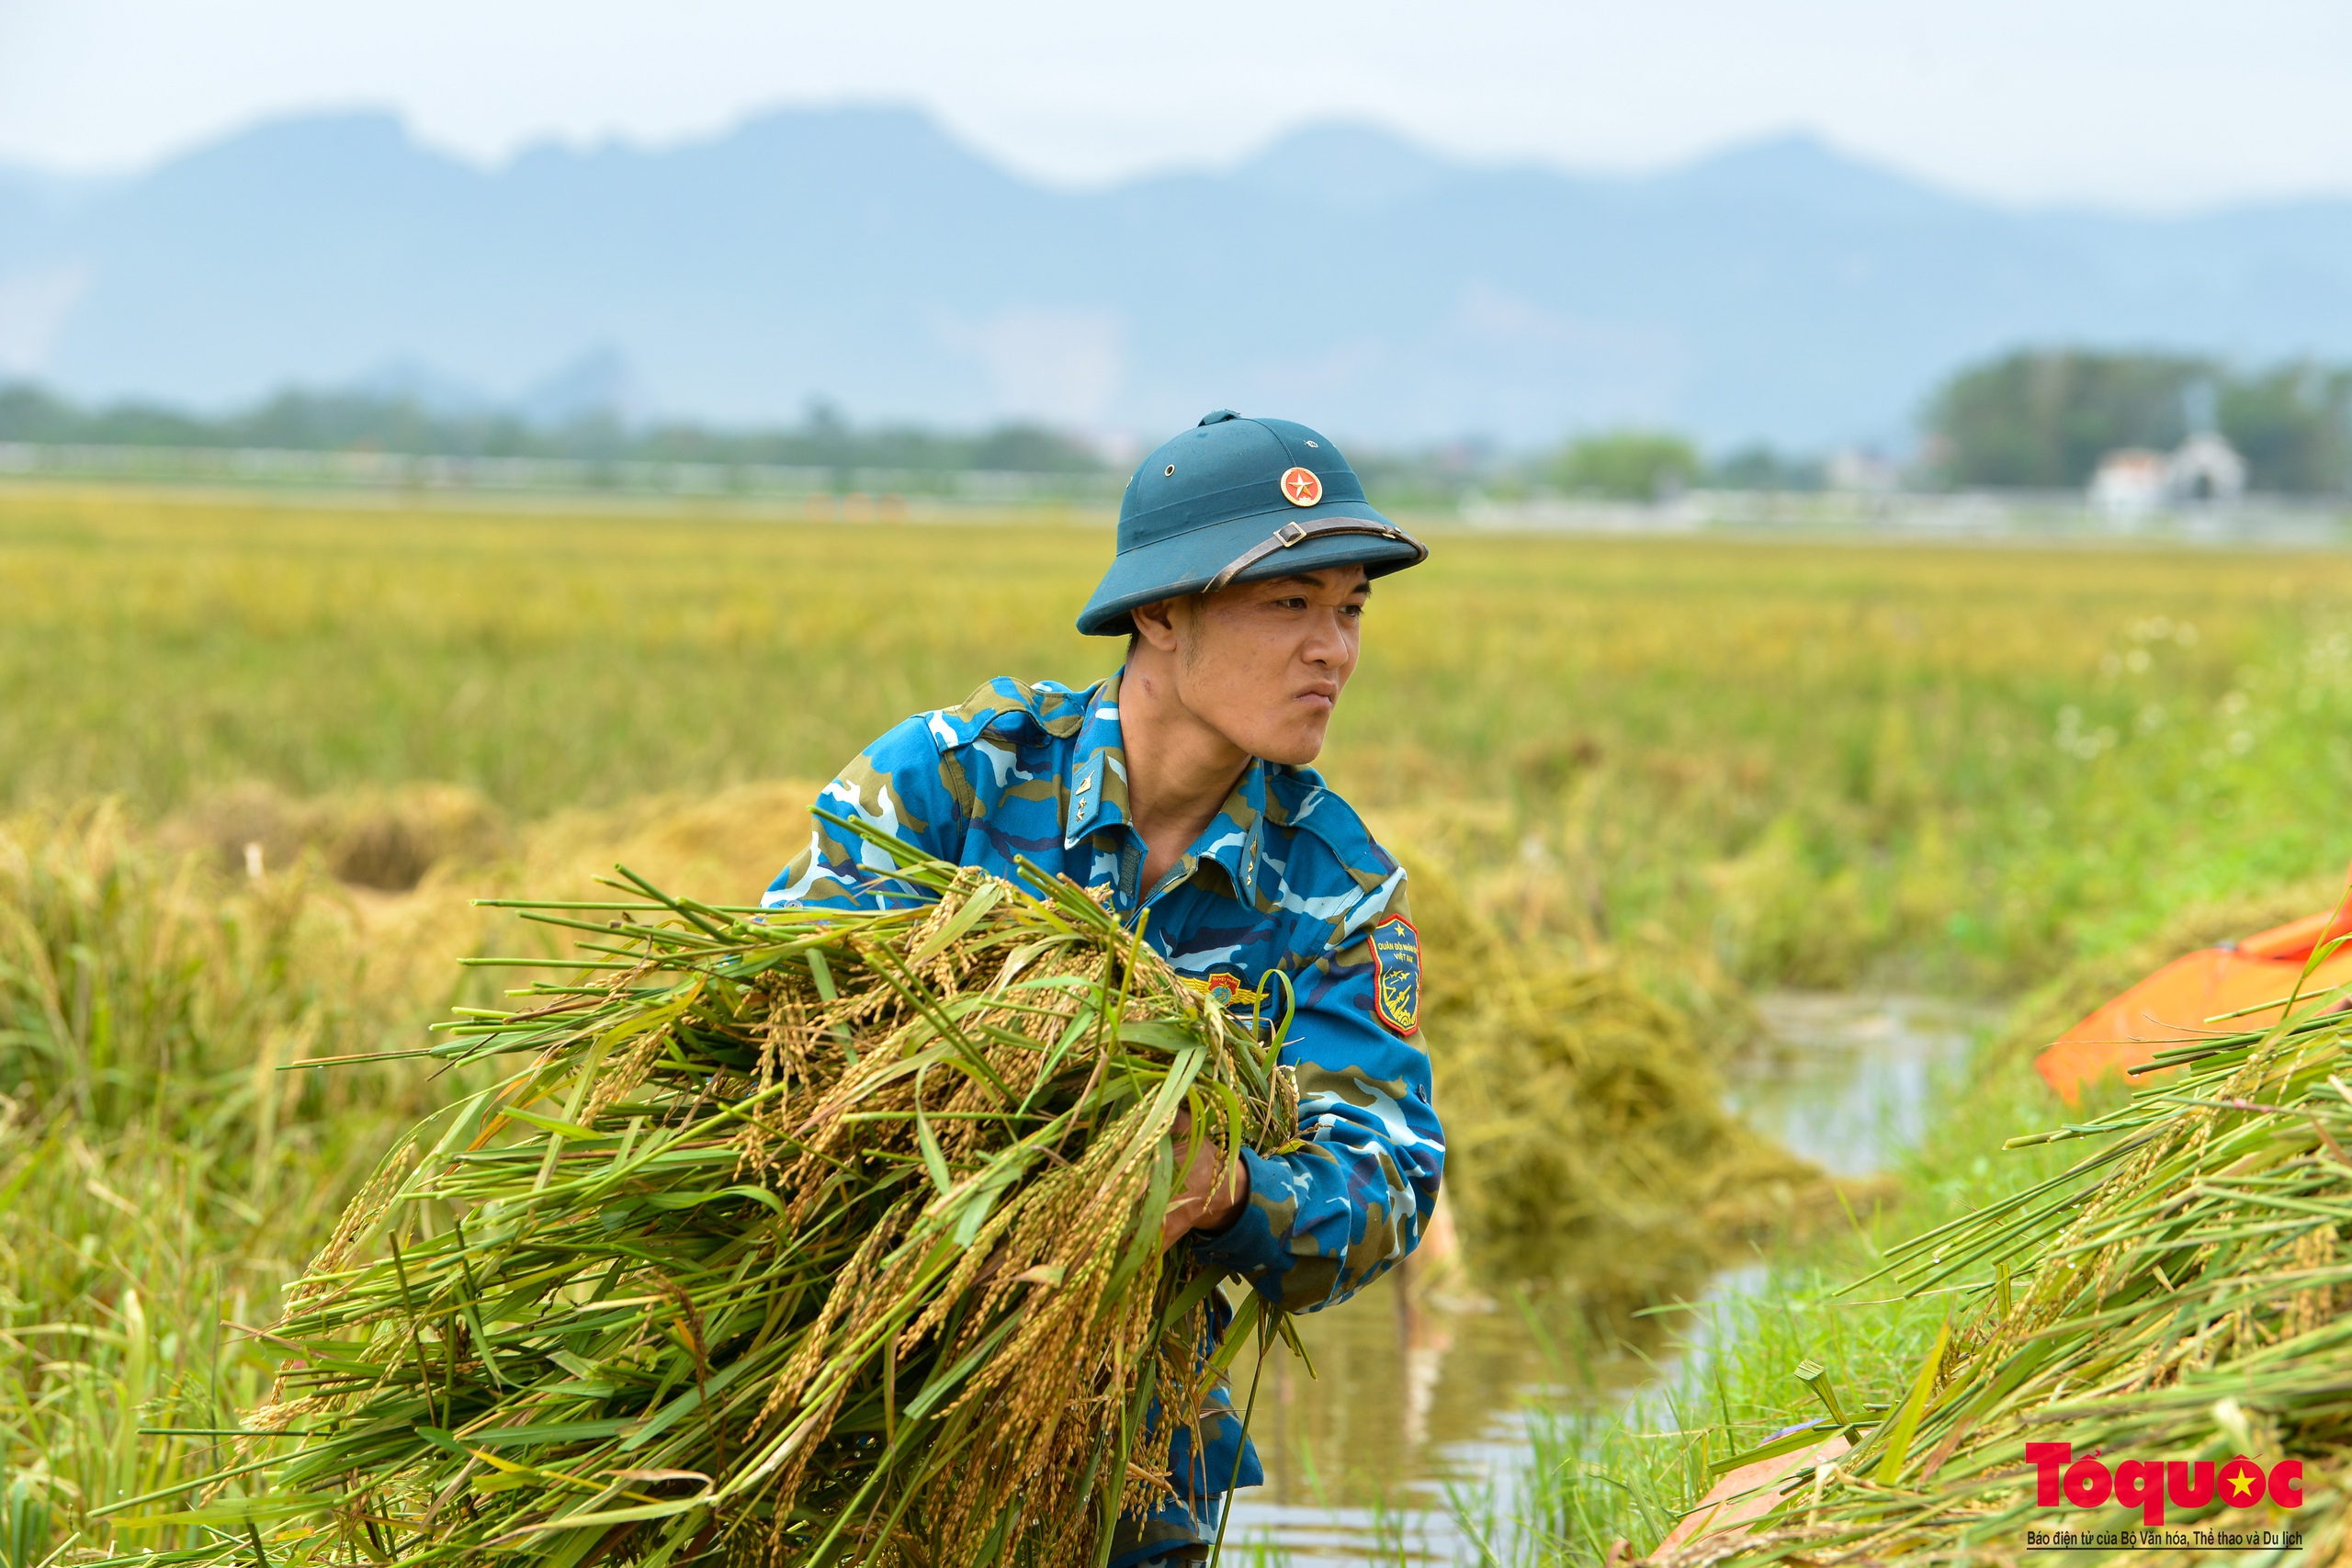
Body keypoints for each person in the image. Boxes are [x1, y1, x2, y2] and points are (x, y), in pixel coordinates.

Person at [763, 409, 1445, 1563]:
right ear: (1160, 612)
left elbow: (1387, 1180)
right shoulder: (950, 786)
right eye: (1289, 604)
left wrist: (1226, 1194)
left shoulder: (1336, 890)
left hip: (1127, 1458)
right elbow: (779, 1030)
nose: (1331, 648)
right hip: (843, 1414)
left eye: (1348, 608)